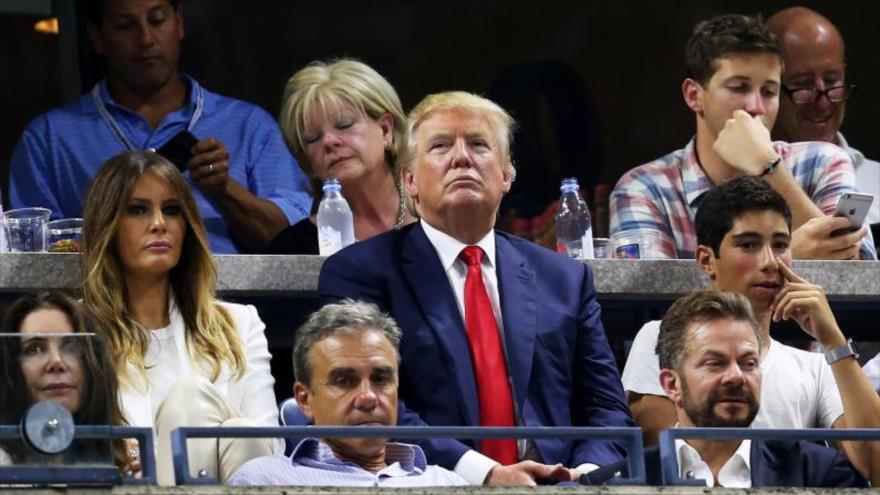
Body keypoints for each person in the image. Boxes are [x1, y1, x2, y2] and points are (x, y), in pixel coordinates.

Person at [319, 91, 633, 486]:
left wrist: (580, 477)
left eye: (479, 145)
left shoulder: (565, 279)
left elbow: (606, 408)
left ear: (506, 176)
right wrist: (485, 474)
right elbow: (370, 405)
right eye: (441, 146)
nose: (462, 157)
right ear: (410, 181)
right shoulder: (360, 273)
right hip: (430, 484)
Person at [621, 176, 879, 478]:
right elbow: (666, 466)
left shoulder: (816, 367)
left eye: (781, 245)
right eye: (748, 244)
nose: (770, 262)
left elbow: (876, 467)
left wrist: (833, 340)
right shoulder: (659, 336)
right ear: (706, 259)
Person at [8, 0, 312, 254]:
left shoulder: (249, 125)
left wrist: (225, 190)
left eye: (157, 20)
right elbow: (34, 256)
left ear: (179, 24)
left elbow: (290, 244)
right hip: (104, 311)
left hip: (231, 311)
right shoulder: (50, 137)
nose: (146, 39)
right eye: (126, 26)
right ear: (97, 37)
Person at [80, 150, 279, 484]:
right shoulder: (77, 332)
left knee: (204, 407)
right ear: (108, 226)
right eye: (138, 210)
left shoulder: (240, 323)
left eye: (172, 210)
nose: (159, 223)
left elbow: (266, 451)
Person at [610, 13, 876, 261]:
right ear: (694, 95)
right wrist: (788, 253)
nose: (756, 107)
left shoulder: (824, 162)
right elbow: (651, 302)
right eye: (739, 88)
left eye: (769, 92)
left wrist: (769, 167)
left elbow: (857, 272)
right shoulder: (644, 188)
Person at [596, 290, 868, 487]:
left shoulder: (821, 476)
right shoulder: (617, 484)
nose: (736, 377)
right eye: (714, 363)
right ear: (672, 384)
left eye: (749, 363)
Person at [229, 300, 468, 486]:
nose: (368, 397)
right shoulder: (265, 480)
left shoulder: (446, 482)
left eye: (381, 379)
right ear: (305, 398)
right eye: (344, 381)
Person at [268, 59, 416, 253]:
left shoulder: (441, 218)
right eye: (313, 138)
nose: (329, 141)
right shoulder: (292, 247)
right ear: (305, 161)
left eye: (344, 124)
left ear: (386, 130)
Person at [767, 6, 879, 226]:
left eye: (831, 80)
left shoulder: (877, 180)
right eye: (802, 84)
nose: (823, 100)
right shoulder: (731, 187)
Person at [0, 292, 131, 473]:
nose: (56, 362)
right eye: (35, 349)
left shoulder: (127, 471)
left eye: (71, 346)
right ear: (13, 370)